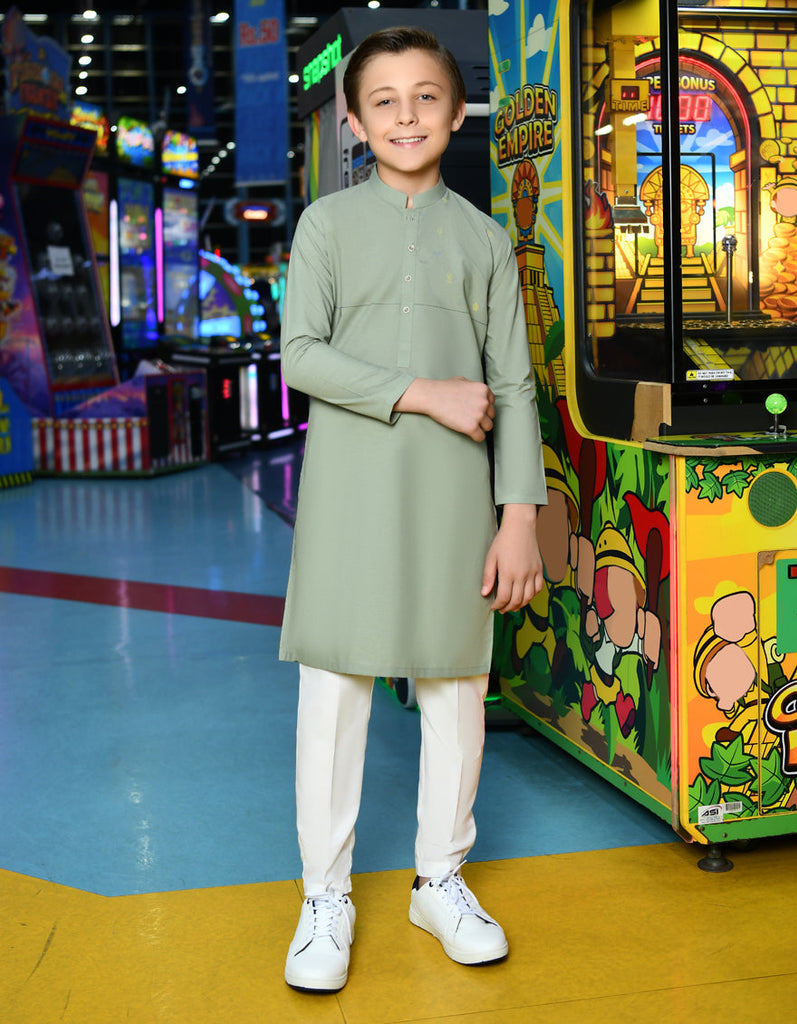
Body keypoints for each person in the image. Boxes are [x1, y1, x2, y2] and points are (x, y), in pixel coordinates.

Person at [279, 25, 547, 992]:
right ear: (353, 122)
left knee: (455, 688)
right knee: (333, 692)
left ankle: (440, 880)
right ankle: (324, 897)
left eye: (425, 96)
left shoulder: (484, 239)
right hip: (347, 491)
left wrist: (518, 515)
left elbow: (513, 387)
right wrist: (423, 391)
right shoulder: (324, 226)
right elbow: (299, 355)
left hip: (452, 496)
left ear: (458, 111)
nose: (406, 115)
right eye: (383, 101)